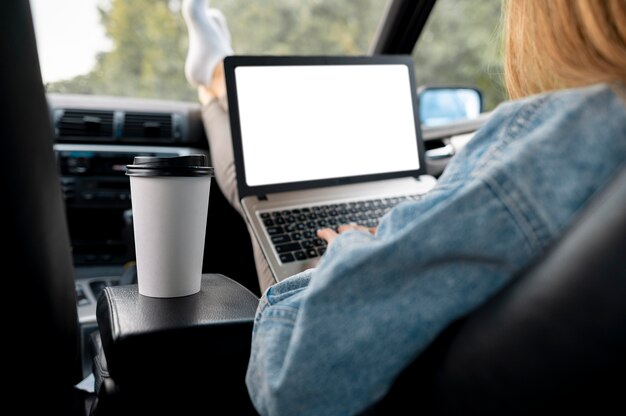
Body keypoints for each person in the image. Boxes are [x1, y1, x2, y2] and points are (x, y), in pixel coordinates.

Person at [182, 0, 626, 414]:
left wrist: (350, 250)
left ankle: (215, 81)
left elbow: (290, 387)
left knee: (252, 188)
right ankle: (216, 77)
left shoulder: (567, 129)